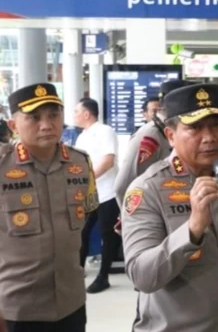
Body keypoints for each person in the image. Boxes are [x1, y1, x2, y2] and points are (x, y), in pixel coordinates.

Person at [121, 83, 218, 332]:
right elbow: (142, 275)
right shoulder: (147, 190)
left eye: (216, 124)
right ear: (171, 136)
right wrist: (192, 230)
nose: (210, 137)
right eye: (194, 127)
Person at [0, 83, 98, 332]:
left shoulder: (80, 162)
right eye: (34, 117)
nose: (46, 125)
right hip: (16, 307)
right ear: (13, 125)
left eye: (54, 115)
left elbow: (85, 218)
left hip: (71, 302)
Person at [114, 79, 191, 208]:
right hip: (154, 215)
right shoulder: (150, 135)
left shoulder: (174, 129)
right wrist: (133, 218)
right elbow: (123, 186)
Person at [74, 97, 120, 294]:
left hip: (107, 192)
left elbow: (108, 160)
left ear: (87, 114)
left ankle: (104, 276)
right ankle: (77, 272)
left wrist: (88, 179)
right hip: (88, 195)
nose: (74, 115)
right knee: (81, 233)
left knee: (107, 235)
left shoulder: (104, 131)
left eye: (77, 111)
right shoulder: (82, 136)